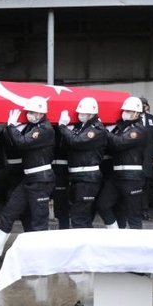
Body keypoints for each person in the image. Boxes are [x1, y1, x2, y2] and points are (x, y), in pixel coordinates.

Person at [0, 96, 55, 258]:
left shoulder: (44, 129)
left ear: (40, 114)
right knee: (10, 210)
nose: (29, 115)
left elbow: (22, 142)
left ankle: (41, 255)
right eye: (29, 112)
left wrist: (11, 126)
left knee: (39, 219)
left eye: (32, 112)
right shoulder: (33, 127)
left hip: (41, 179)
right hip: (29, 179)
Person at [95, 97, 147, 229]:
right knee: (102, 204)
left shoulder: (138, 129)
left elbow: (119, 143)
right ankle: (115, 233)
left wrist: (102, 129)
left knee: (133, 214)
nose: (125, 113)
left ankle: (137, 246)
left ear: (137, 113)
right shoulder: (121, 128)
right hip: (117, 175)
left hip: (132, 177)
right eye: (124, 110)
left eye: (129, 111)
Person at [57, 97, 106, 228]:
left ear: (92, 114)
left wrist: (62, 126)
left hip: (88, 178)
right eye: (79, 112)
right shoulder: (82, 127)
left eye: (83, 113)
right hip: (78, 177)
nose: (80, 115)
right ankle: (87, 246)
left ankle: (84, 247)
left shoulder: (96, 128)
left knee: (79, 216)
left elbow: (76, 141)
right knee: (81, 216)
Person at [138, 98, 153, 217]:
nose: (142, 106)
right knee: (135, 184)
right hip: (134, 158)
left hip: (148, 157)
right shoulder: (131, 118)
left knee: (146, 185)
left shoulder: (152, 119)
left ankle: (144, 210)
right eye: (139, 104)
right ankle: (134, 209)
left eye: (144, 104)